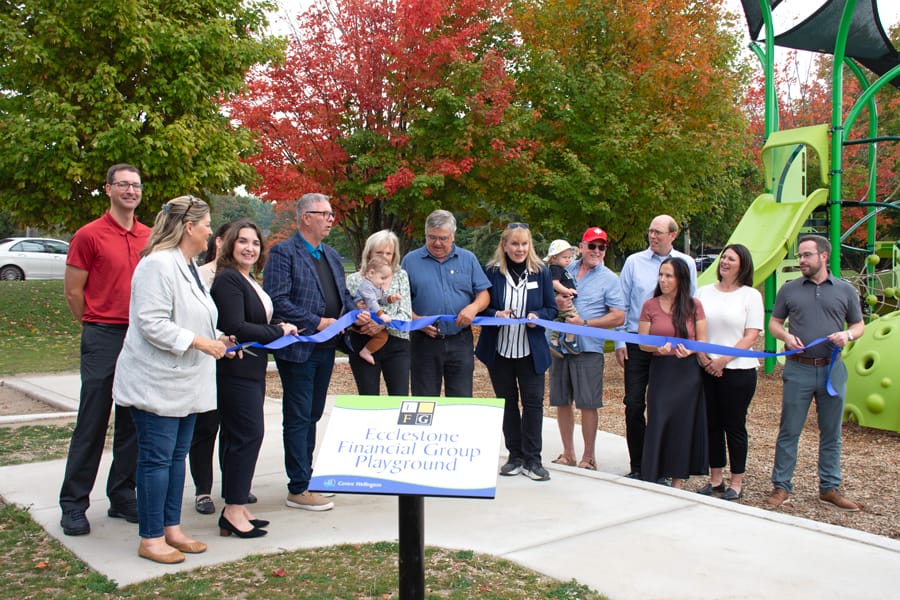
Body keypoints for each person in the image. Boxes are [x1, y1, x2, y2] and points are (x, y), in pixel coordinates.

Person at [113, 195, 232, 564]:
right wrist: (199, 342)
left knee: (177, 456)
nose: (212, 231)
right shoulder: (157, 265)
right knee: (156, 459)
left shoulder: (188, 265)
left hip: (186, 382)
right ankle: (150, 538)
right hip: (157, 382)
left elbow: (195, 314)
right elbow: (151, 323)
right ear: (188, 227)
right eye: (207, 224)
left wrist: (218, 339)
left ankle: (171, 528)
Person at [59, 164, 150, 536]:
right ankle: (74, 504)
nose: (130, 191)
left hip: (141, 336)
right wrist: (95, 323)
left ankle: (122, 494)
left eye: (136, 185)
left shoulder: (150, 235)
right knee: (93, 421)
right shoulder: (89, 235)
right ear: (108, 189)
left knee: (133, 421)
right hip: (103, 334)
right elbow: (72, 292)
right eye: (123, 185)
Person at [263, 193, 370, 512]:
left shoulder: (332, 256)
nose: (330, 219)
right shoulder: (283, 254)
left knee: (312, 414)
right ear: (305, 217)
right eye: (323, 214)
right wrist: (317, 321)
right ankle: (298, 486)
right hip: (298, 348)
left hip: (326, 347)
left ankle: (308, 478)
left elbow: (343, 296)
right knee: (298, 416)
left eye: (331, 214)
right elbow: (277, 301)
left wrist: (355, 313)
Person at [211, 220, 298, 538]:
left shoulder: (249, 280)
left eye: (256, 243)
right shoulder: (228, 280)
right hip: (235, 371)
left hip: (252, 369)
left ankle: (236, 506)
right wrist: (279, 331)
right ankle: (233, 509)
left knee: (243, 436)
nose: (250, 248)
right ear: (230, 244)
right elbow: (236, 325)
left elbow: (254, 320)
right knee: (247, 435)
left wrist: (279, 324)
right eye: (243, 241)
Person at [767, 234, 865, 511]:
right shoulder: (789, 289)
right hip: (799, 370)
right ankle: (781, 486)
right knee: (789, 430)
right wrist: (785, 337)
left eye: (806, 255)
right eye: (799, 255)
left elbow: (859, 326)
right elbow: (775, 323)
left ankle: (829, 488)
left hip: (832, 370)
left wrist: (847, 335)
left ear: (823, 256)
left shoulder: (845, 290)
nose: (801, 260)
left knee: (831, 432)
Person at [615, 214, 697, 479]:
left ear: (673, 235)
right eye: (650, 231)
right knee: (635, 403)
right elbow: (622, 303)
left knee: (664, 407)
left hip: (672, 347)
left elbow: (690, 305)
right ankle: (638, 465)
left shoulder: (686, 263)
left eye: (658, 232)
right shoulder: (633, 262)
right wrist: (620, 341)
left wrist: (688, 345)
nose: (652, 236)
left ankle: (661, 466)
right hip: (637, 344)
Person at [475, 223, 558, 481]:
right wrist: (496, 314)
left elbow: (551, 308)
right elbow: (481, 308)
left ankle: (533, 460)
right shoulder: (491, 272)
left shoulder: (541, 272)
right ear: (505, 246)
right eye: (514, 244)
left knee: (533, 405)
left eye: (524, 244)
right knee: (508, 404)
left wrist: (538, 316)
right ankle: (515, 456)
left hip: (530, 351)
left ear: (529, 246)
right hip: (500, 350)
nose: (519, 249)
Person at [549, 227, 625, 470]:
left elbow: (618, 317)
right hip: (559, 346)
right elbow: (545, 299)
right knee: (561, 401)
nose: (597, 251)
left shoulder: (610, 279)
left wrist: (585, 324)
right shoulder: (563, 269)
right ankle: (568, 453)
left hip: (588, 349)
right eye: (592, 245)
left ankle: (588, 457)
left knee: (588, 403)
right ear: (580, 247)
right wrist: (557, 302)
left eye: (601, 247)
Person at [694, 244, 763, 501]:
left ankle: (737, 481)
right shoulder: (703, 292)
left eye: (730, 259)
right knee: (711, 424)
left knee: (733, 425)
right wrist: (703, 358)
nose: (724, 261)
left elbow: (752, 334)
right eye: (723, 257)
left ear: (742, 265)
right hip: (706, 368)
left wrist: (723, 360)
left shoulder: (750, 296)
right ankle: (715, 479)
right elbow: (695, 327)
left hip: (738, 371)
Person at [401, 209, 491, 397]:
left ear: (453, 236)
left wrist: (473, 308)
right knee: (424, 401)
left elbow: (484, 295)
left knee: (460, 401)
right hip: (424, 342)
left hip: (460, 341)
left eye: (443, 238)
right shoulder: (410, 261)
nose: (437, 243)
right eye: (431, 237)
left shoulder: (468, 259)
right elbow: (400, 302)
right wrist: (417, 320)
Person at [638, 257, 707, 489]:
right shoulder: (650, 305)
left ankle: (677, 481)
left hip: (686, 374)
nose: (663, 280)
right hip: (662, 371)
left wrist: (690, 350)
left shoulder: (694, 305)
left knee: (682, 424)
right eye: (661, 275)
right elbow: (641, 342)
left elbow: (701, 340)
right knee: (658, 419)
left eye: (669, 276)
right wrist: (656, 347)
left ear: (681, 279)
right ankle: (653, 474)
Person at [191, 221, 233, 516]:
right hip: (207, 359)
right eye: (233, 240)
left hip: (238, 361)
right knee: (206, 428)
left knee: (235, 427)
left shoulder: (246, 276)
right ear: (218, 241)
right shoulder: (200, 276)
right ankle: (202, 490)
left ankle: (234, 486)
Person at [346, 230, 412, 395]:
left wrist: (381, 325)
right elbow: (351, 313)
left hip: (397, 343)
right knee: (368, 398)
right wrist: (361, 320)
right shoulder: (354, 280)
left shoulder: (401, 276)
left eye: (388, 253)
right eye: (379, 252)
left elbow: (406, 315)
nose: (384, 257)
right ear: (369, 254)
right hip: (363, 341)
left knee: (399, 397)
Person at [351, 255, 402, 365]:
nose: (384, 282)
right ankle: (366, 352)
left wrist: (391, 298)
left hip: (368, 315)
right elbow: (372, 302)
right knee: (382, 336)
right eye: (382, 278)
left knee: (382, 335)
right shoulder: (366, 286)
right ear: (371, 273)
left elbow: (380, 299)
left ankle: (367, 351)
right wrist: (381, 315)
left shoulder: (375, 286)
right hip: (360, 316)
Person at [544, 239, 582, 356]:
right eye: (564, 257)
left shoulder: (561, 269)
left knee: (559, 320)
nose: (568, 260)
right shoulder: (555, 268)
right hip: (563, 298)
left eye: (569, 257)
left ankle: (554, 342)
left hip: (564, 298)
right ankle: (569, 341)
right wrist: (567, 291)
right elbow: (554, 283)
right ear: (554, 258)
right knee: (574, 317)